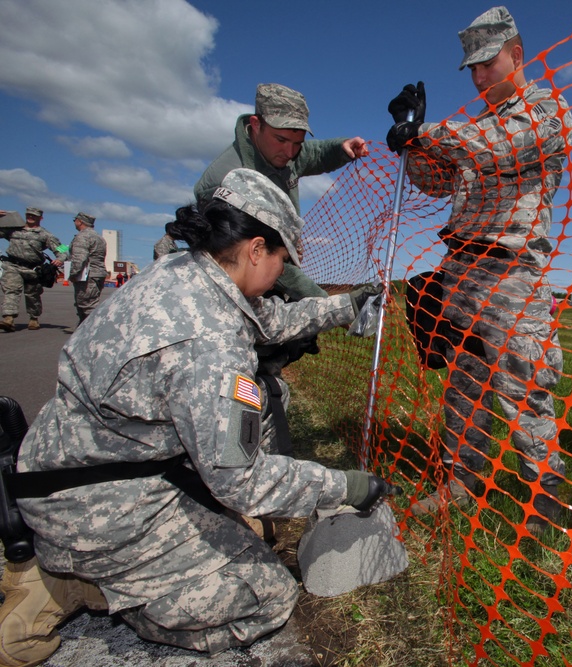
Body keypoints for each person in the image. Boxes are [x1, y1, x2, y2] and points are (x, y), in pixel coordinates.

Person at [0, 169, 388, 665]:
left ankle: (100, 566)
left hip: (77, 464)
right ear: (254, 249)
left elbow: (270, 320)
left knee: (263, 413)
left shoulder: (183, 275)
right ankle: (83, 585)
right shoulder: (209, 344)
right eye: (281, 259)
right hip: (98, 506)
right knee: (266, 594)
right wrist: (346, 487)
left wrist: (345, 305)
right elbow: (242, 481)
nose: (280, 272)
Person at [387, 6, 572, 534]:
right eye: (471, 68)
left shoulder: (546, 111)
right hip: (461, 272)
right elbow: (434, 180)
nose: (478, 75)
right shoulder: (473, 129)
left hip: (511, 275)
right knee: (463, 387)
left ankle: (545, 506)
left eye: (487, 63)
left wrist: (428, 132)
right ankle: (461, 485)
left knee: (524, 390)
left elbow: (500, 149)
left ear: (517, 54)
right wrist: (408, 141)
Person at [196, 82, 370, 456]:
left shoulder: (285, 152)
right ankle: (241, 457)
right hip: (235, 292)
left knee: (272, 359)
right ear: (254, 125)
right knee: (243, 382)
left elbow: (313, 154)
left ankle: (251, 446)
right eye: (282, 141)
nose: (290, 152)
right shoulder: (224, 181)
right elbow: (271, 268)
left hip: (263, 281)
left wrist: (343, 149)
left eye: (297, 142)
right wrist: (324, 302)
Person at [0, 207, 66, 332]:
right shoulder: (13, 229)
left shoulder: (45, 235)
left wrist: (60, 258)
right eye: (29, 215)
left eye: (34, 215)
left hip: (33, 269)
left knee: (32, 295)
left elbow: (63, 248)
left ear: (40, 218)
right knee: (11, 291)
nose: (30, 217)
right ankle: (8, 319)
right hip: (13, 266)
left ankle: (33, 318)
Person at [63, 212, 107, 334]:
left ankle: (97, 330)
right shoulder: (99, 237)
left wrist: (72, 274)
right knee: (85, 302)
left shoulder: (82, 237)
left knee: (87, 305)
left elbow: (79, 258)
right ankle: (81, 327)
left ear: (80, 221)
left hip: (87, 274)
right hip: (98, 273)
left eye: (75, 220)